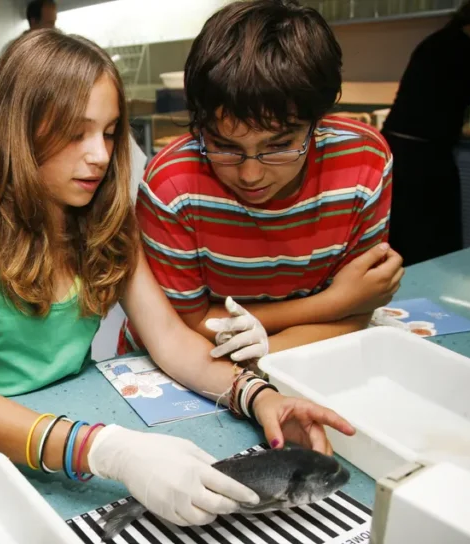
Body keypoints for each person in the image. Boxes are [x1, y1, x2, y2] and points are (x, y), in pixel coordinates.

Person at [0, 29, 355, 529]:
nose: (101, 155)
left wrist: (259, 396)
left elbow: (169, 338)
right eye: (76, 133)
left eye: (108, 132)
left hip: (76, 439)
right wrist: (111, 450)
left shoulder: (107, 220)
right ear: (17, 129)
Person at [118, 0, 405, 363]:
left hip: (311, 356)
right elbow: (181, 327)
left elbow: (363, 306)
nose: (251, 175)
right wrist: (335, 302)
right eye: (224, 146)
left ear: (317, 121)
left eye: (280, 146)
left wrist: (275, 346)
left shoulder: (363, 162)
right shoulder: (173, 184)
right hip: (177, 367)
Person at [382, 0, 470, 266]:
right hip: (427, 159)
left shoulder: (442, 37)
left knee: (396, 248)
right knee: (434, 249)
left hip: (392, 149)